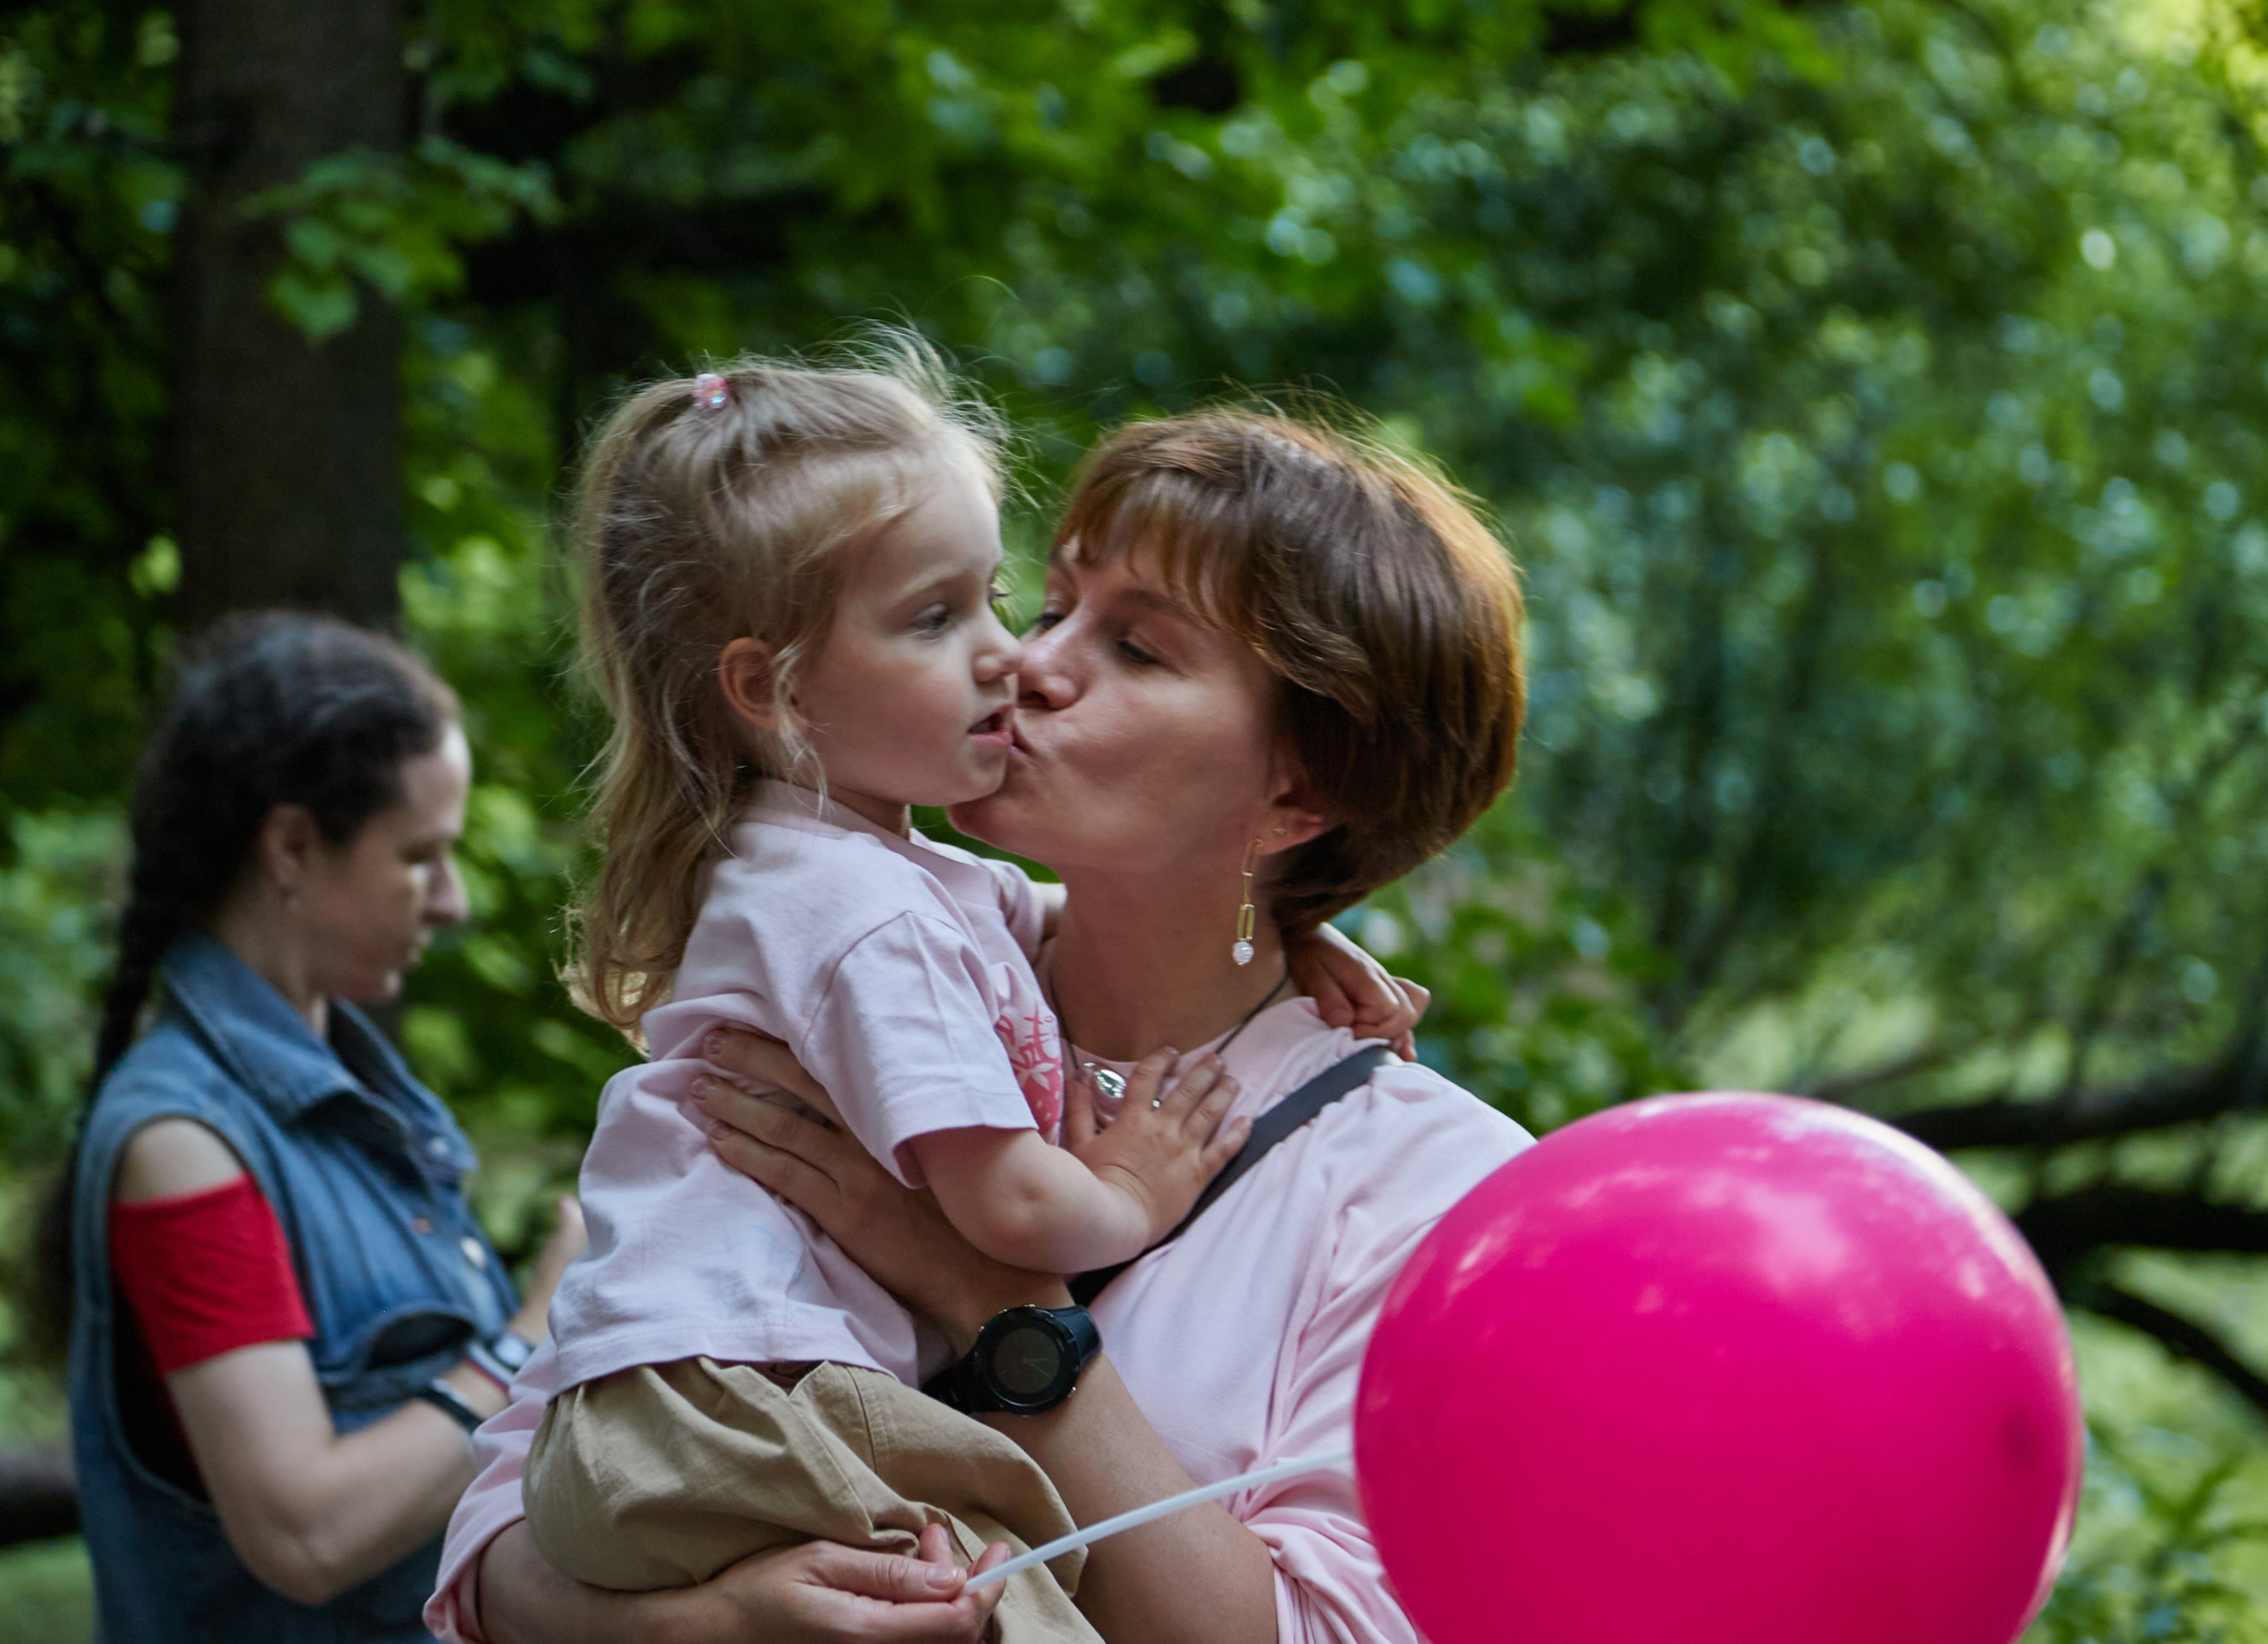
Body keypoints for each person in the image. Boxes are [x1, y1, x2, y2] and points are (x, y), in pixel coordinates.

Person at [428, 403, 1534, 1644]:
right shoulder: (857, 980)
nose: (1030, 662)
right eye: (1050, 602)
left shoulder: (1440, 1195)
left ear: (1296, 792)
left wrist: (995, 1302)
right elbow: (502, 1520)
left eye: (1138, 650)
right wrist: (706, 1627)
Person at [54, 613, 586, 1643]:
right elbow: (304, 1535)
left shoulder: (354, 1102)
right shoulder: (182, 1150)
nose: (454, 901)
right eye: (420, 857)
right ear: (293, 846)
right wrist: (535, 1331)